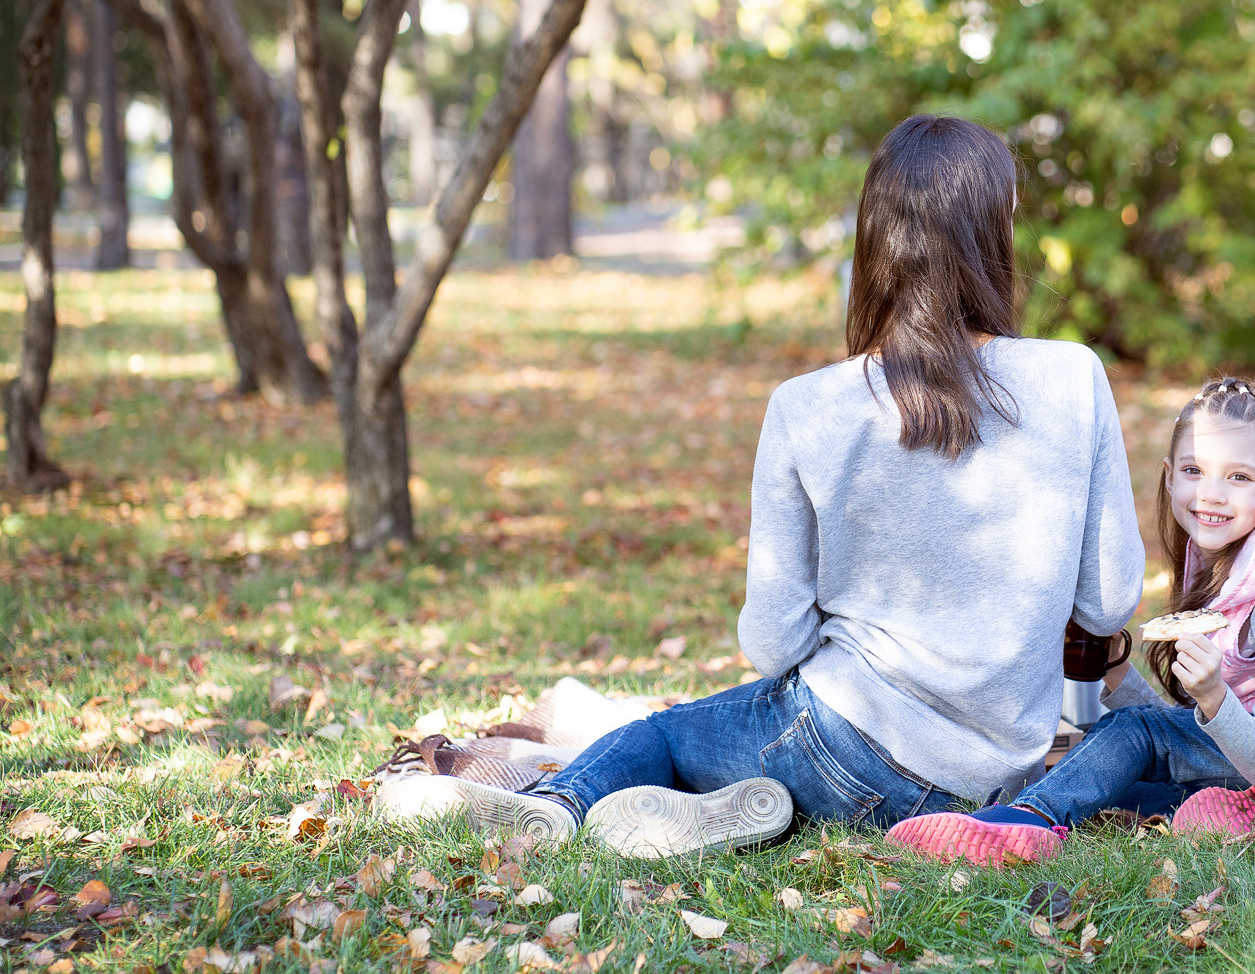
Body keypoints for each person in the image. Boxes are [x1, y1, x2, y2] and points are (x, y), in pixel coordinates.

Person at [376, 115, 1148, 857]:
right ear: (996, 230)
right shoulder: (1072, 378)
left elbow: (772, 641)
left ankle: (557, 807)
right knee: (733, 733)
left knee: (663, 736)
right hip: (988, 782)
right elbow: (1109, 602)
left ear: (876, 240)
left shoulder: (807, 406)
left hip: (837, 743)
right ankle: (740, 813)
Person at [886, 377, 1255, 866]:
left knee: (1132, 734)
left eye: (1238, 477)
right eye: (1194, 471)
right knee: (1108, 772)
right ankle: (1224, 817)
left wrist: (1213, 696)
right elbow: (1189, 735)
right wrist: (1118, 678)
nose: (1210, 494)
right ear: (1169, 479)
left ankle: (1026, 824)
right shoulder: (1232, 559)